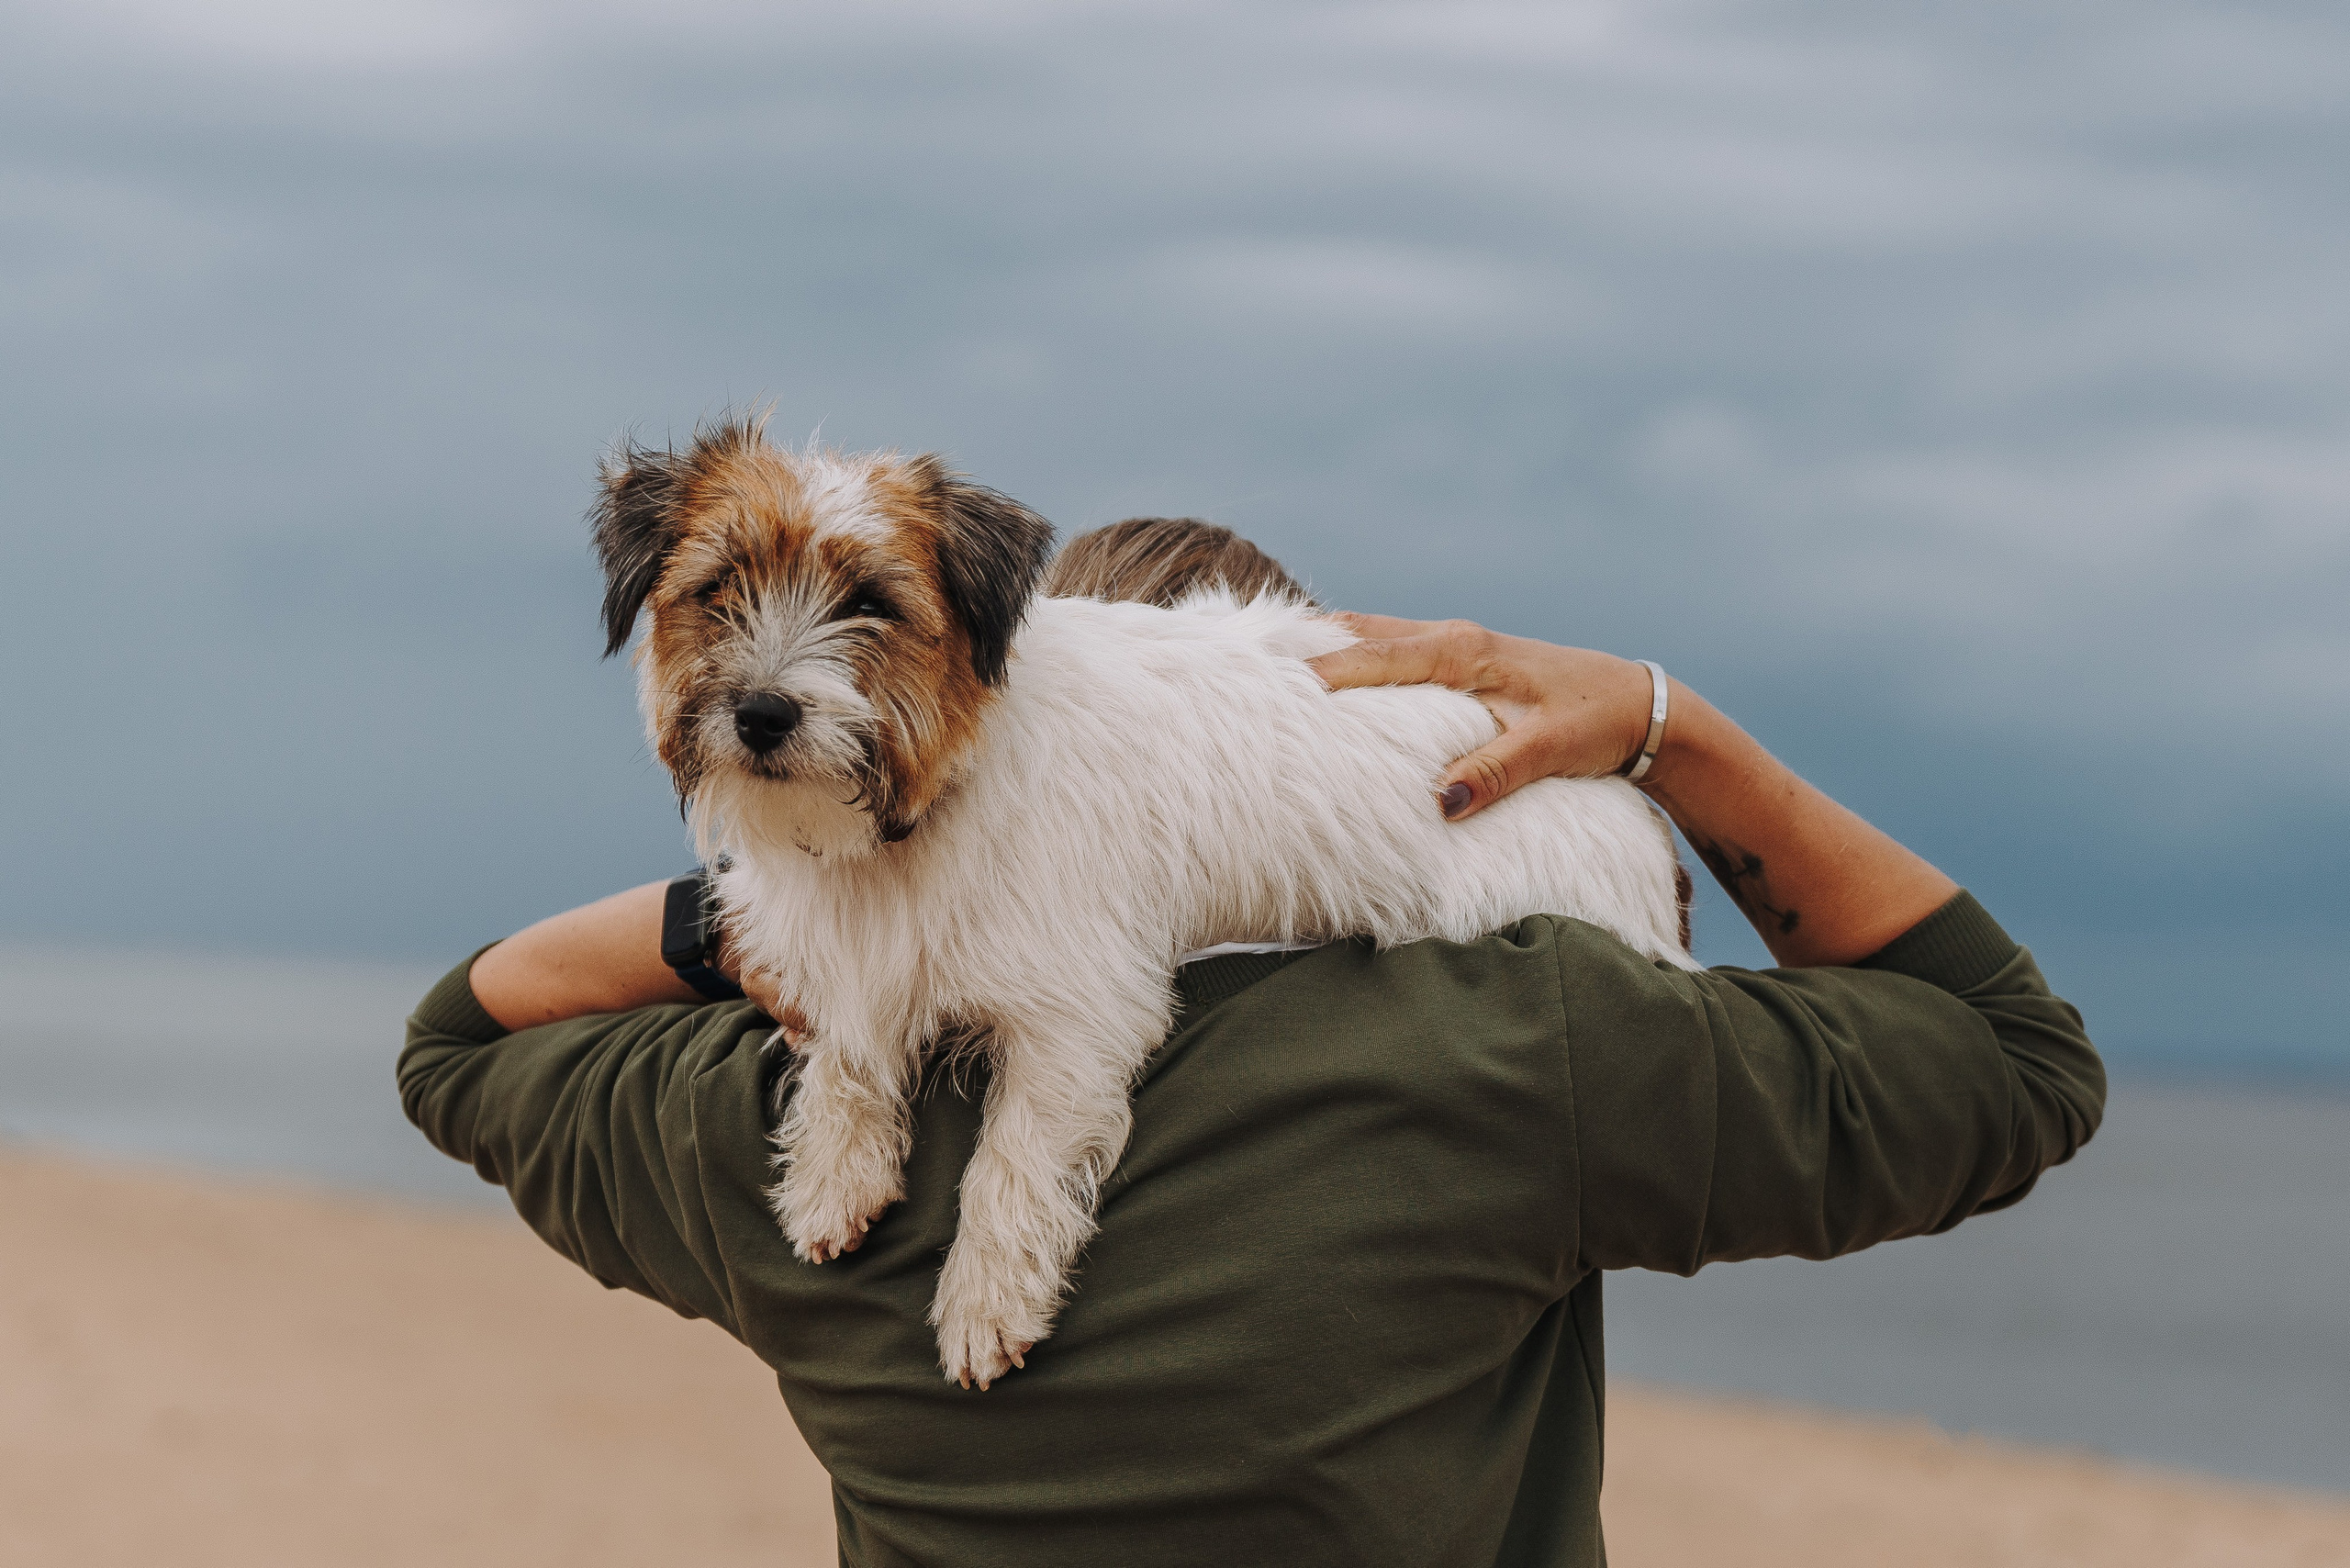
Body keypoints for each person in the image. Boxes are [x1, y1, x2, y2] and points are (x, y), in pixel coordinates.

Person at [403, 521, 2102, 1568]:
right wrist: (1673, 730)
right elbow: (2012, 1059)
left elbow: (460, 1044)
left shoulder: (776, 1135)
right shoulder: (1517, 1053)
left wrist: (750, 921)